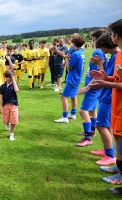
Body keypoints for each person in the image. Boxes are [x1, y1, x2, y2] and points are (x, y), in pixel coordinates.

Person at [88, 19, 122, 186]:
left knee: (104, 126)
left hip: (112, 99)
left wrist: (105, 81)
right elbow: (114, 77)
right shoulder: (117, 55)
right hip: (112, 99)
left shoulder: (118, 56)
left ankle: (111, 157)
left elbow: (117, 81)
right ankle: (115, 161)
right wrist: (104, 76)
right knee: (114, 132)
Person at [75, 29, 107, 147]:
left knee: (83, 111)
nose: (92, 41)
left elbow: (99, 72)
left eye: (93, 39)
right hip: (95, 87)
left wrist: (87, 87)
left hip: (93, 87)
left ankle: (87, 137)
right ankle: (92, 131)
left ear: (96, 40)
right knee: (93, 109)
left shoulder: (97, 52)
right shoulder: (99, 52)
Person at [54, 35, 86, 124]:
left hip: (73, 78)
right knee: (73, 95)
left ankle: (65, 117)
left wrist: (66, 59)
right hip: (78, 77)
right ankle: (73, 114)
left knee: (64, 97)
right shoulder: (81, 52)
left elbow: (69, 68)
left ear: (74, 43)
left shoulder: (75, 54)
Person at [0, 69, 19, 141]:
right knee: (6, 120)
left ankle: (12, 134)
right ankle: (8, 124)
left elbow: (16, 90)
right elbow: (0, 96)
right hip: (5, 105)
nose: (8, 79)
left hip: (13, 105)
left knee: (13, 120)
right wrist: (0, 106)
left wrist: (13, 80)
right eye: (6, 77)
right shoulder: (2, 86)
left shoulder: (14, 85)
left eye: (10, 77)